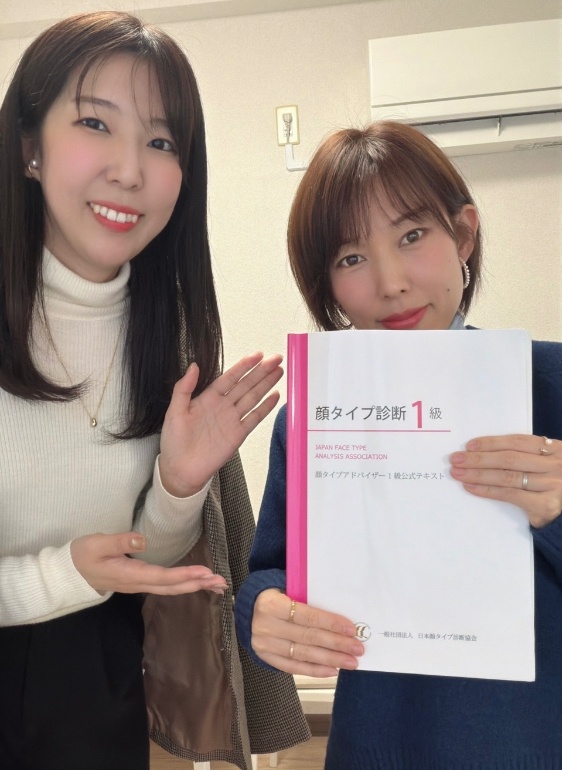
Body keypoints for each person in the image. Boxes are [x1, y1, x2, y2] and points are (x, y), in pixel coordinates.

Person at [0, 11, 310, 770]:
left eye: (162, 142)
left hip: (93, 673)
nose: (131, 171)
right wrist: (61, 575)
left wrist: (178, 485)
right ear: (30, 146)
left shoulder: (165, 339)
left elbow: (145, 561)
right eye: (95, 124)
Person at [235, 121, 562, 769]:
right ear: (327, 284)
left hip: (532, 742)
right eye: (350, 258)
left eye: (412, 236)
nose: (390, 283)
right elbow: (276, 569)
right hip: (377, 743)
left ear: (463, 234)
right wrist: (260, 610)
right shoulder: (314, 414)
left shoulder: (550, 382)